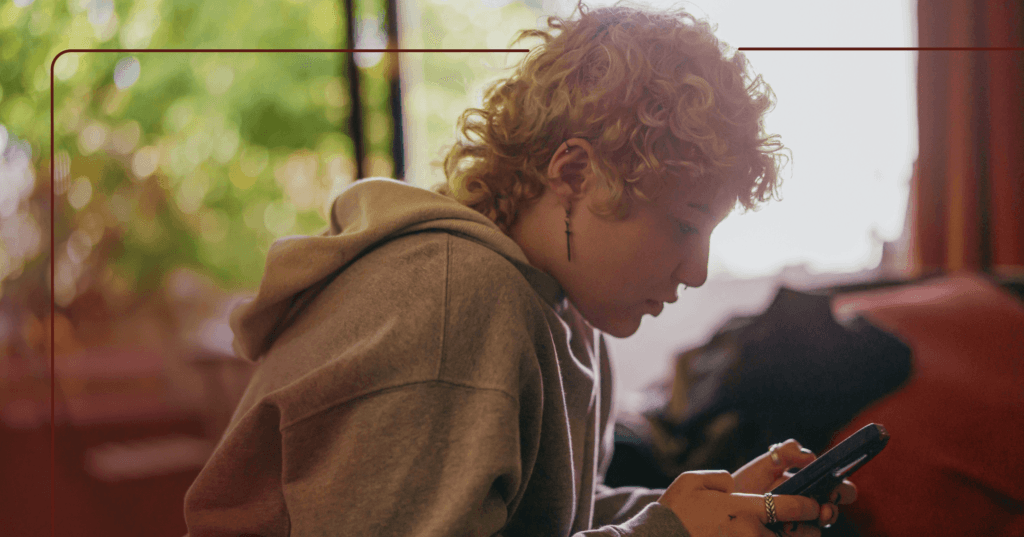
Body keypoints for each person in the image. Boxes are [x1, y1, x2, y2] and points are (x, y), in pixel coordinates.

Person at [183, 2, 855, 535]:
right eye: (684, 223)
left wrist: (710, 509)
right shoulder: (454, 298)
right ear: (574, 173)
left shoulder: (564, 308)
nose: (699, 270)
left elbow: (532, 520)